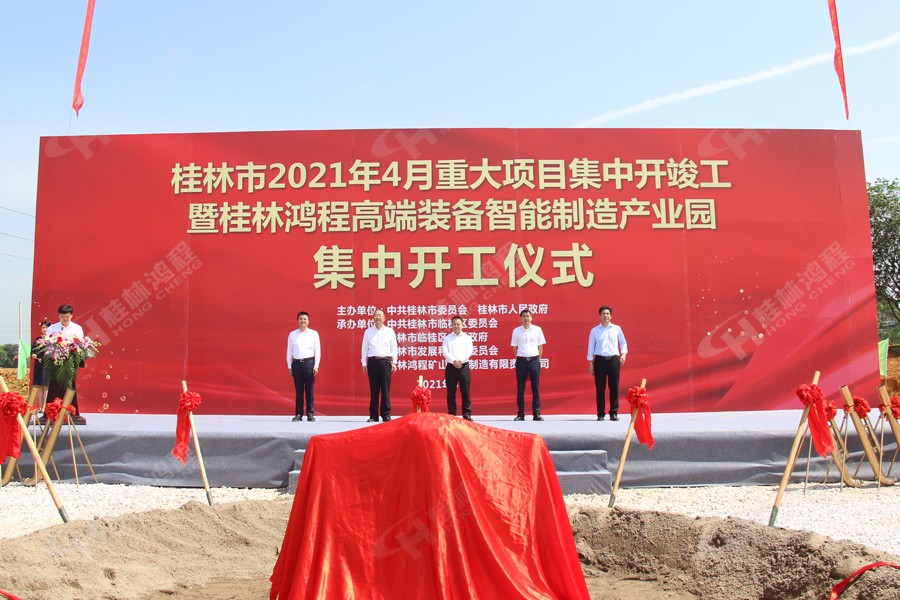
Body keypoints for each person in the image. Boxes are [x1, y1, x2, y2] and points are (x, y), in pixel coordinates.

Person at [46, 304, 86, 424]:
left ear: (71, 315)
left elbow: (80, 344)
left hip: (70, 363)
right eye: (62, 317)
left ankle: (72, 413)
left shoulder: (77, 328)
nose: (65, 319)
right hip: (56, 363)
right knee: (54, 386)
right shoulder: (52, 328)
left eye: (67, 317)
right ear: (59, 315)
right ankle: (51, 413)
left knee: (69, 386)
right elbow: (47, 344)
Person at [587, 306, 628, 421]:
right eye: (603, 314)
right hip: (599, 361)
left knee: (614, 387)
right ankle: (600, 413)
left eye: (608, 314)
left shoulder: (617, 329)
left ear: (611, 316)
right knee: (600, 388)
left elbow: (623, 343)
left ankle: (613, 412)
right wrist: (591, 363)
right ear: (600, 316)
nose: (606, 316)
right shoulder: (594, 331)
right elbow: (591, 347)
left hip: (614, 360)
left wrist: (624, 354)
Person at [360, 309, 397, 422]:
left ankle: (386, 414)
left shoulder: (389, 331)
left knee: (385, 389)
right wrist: (364, 363)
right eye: (376, 315)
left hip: (385, 361)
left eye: (380, 315)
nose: (378, 317)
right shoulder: (368, 332)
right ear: (373, 318)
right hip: (373, 362)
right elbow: (364, 348)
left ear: (384, 318)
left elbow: (394, 347)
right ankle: (373, 415)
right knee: (374, 389)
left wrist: (394, 362)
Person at [510, 308, 546, 421]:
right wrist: (519, 358)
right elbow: (514, 347)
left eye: (528, 316)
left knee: (535, 387)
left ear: (531, 318)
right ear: (521, 318)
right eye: (524, 316)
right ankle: (520, 414)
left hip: (534, 360)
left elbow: (540, 346)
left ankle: (536, 413)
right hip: (521, 361)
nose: (526, 318)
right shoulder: (516, 331)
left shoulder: (537, 330)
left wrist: (537, 359)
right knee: (520, 388)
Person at [286, 311, 321, 422]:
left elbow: (317, 351)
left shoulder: (314, 334)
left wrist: (316, 365)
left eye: (305, 319)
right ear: (297, 321)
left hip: (309, 363)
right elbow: (289, 351)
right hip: (296, 364)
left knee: (310, 390)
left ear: (308, 321)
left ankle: (310, 414)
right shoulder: (292, 334)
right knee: (299, 390)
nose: (303, 321)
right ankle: (298, 414)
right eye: (301, 319)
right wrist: (289, 366)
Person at [441, 315, 474, 420]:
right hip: (451, 367)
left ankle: (467, 414)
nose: (456, 326)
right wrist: (453, 361)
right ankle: (452, 414)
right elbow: (445, 351)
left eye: (458, 324)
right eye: (454, 324)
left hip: (464, 367)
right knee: (451, 392)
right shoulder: (447, 338)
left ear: (462, 325)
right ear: (451, 325)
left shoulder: (467, 338)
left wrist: (460, 361)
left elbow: (469, 351)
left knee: (465, 391)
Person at [31, 320, 52, 410]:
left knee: (46, 386)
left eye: (46, 327)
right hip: (39, 364)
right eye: (43, 327)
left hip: (48, 364)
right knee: (39, 385)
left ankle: (44, 406)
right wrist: (36, 356)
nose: (45, 329)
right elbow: (32, 352)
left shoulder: (52, 339)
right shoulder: (38, 339)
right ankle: (40, 406)